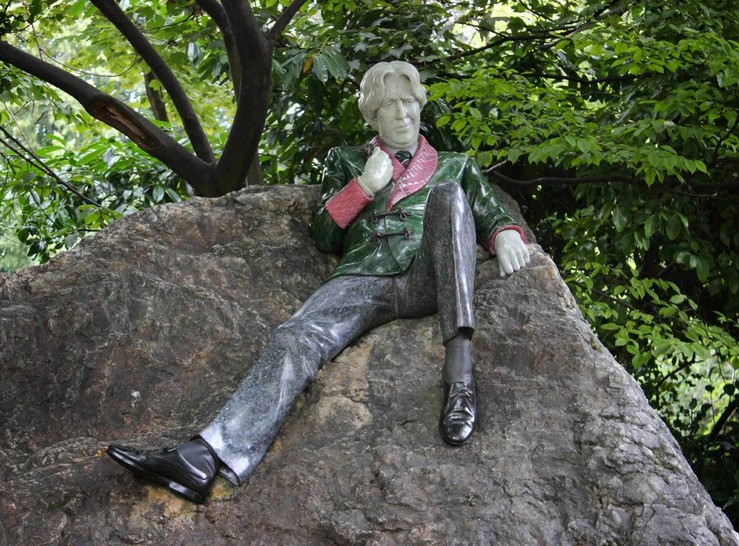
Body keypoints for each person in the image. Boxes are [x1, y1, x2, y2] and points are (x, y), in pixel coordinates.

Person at [107, 61, 531, 504]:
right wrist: (365, 184)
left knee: (449, 196)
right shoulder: (346, 160)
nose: (402, 113)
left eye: (408, 101)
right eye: (389, 105)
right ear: (373, 115)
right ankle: (204, 456)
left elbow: (490, 215)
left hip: (429, 275)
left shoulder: (457, 165)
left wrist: (504, 234)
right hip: (365, 276)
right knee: (295, 335)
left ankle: (460, 378)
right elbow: (326, 235)